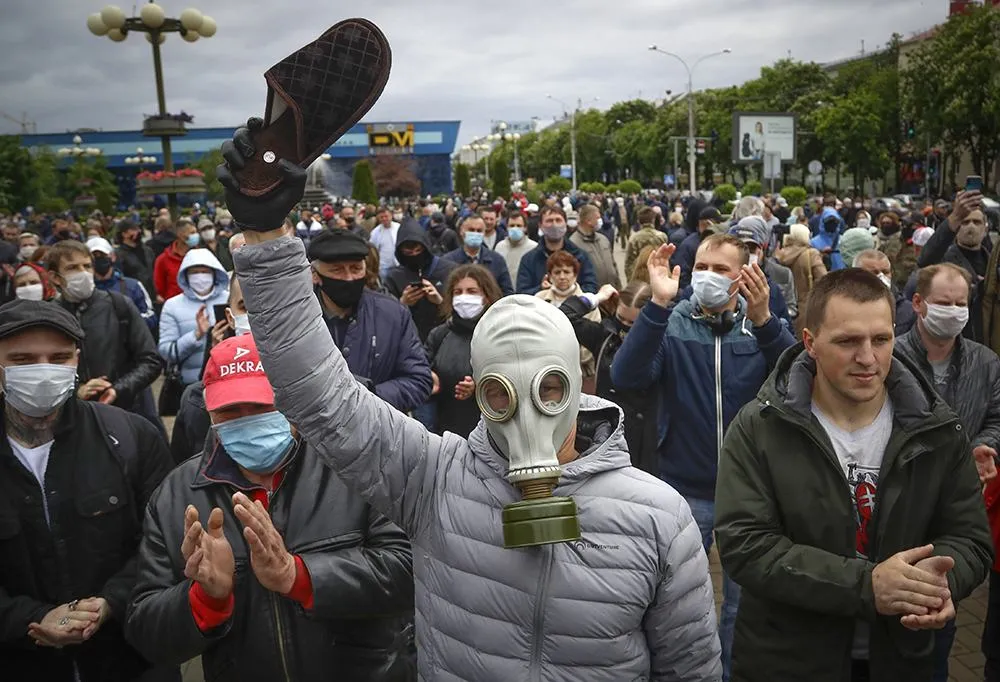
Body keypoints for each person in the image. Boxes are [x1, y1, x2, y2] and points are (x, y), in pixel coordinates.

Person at [214, 128, 723, 680]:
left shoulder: (658, 517)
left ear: (581, 384)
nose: (528, 413)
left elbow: (689, 670)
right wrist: (265, 240)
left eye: (549, 389)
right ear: (477, 393)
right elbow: (321, 397)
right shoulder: (434, 479)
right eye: (502, 392)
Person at [715, 268, 993, 682]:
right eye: (847, 341)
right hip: (790, 659)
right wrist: (867, 586)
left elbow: (970, 538)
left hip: (904, 658)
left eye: (881, 340)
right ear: (810, 343)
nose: (868, 358)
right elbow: (745, 545)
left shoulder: (936, 428)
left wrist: (939, 584)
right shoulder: (762, 425)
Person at [126, 333, 415, 681]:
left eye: (263, 407)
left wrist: (300, 577)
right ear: (209, 411)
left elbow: (411, 571)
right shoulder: (176, 496)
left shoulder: (355, 464)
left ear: (292, 399)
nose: (248, 420)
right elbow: (146, 631)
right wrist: (206, 600)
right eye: (231, 411)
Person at [611, 235, 797, 681]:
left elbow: (795, 381)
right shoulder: (672, 321)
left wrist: (767, 321)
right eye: (702, 265)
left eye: (721, 268)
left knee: (740, 607)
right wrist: (656, 305)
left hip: (748, 494)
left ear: (744, 276)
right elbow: (626, 375)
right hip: (684, 487)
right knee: (676, 605)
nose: (709, 275)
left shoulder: (760, 325)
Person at [0, 298, 174, 681]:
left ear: (77, 360)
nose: (43, 373)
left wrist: (110, 602)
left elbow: (165, 541)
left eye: (58, 357)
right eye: (23, 360)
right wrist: (30, 618)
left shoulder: (131, 437)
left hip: (130, 659)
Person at [893, 263, 1000, 682]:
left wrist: (982, 447)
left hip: (954, 511)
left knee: (938, 619)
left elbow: (996, 416)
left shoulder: (985, 362)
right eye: (944, 303)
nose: (954, 311)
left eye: (961, 303)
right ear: (918, 303)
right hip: (896, 503)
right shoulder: (892, 354)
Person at [308, 229, 432, 413]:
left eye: (356, 269)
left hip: (379, 433)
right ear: (315, 274)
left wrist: (368, 396)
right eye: (337, 270)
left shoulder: (393, 314)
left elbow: (419, 380)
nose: (349, 278)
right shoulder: (299, 319)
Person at [47, 240, 162, 424]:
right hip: (71, 419)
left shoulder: (119, 305)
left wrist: (117, 389)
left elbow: (151, 360)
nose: (83, 273)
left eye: (86, 266)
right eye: (72, 268)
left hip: (124, 412)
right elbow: (45, 372)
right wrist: (76, 391)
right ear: (55, 277)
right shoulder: (48, 316)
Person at [559, 281, 658, 475]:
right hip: (609, 428)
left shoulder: (659, 341)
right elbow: (563, 317)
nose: (625, 328)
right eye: (621, 319)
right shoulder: (605, 334)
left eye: (633, 324)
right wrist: (595, 298)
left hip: (646, 437)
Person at [169, 273, 247, 465]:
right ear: (230, 316)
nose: (258, 316)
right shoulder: (196, 398)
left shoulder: (310, 387)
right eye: (245, 307)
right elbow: (184, 467)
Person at [424, 264, 503, 438]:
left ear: (486, 297)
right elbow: (421, 368)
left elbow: (512, 375)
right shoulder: (440, 334)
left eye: (472, 291)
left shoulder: (500, 334)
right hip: (445, 430)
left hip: (493, 432)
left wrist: (480, 388)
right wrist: (430, 378)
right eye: (458, 292)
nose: (464, 297)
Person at [918, 192, 989, 343]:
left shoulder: (992, 263)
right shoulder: (944, 259)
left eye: (977, 222)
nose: (971, 227)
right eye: (965, 222)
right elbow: (925, 259)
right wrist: (955, 216)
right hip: (957, 343)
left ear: (985, 229)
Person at [157, 248, 230, 387]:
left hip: (226, 378)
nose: (200, 277)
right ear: (186, 276)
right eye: (194, 272)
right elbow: (166, 352)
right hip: (189, 384)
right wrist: (196, 335)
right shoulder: (172, 305)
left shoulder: (230, 299)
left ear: (215, 273)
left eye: (205, 272)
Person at [383, 217, 456, 342]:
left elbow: (461, 311)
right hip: (408, 338)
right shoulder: (393, 276)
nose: (414, 255)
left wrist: (440, 301)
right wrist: (402, 304)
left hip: (444, 336)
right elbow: (385, 317)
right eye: (408, 251)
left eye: (418, 250)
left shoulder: (449, 270)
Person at [516, 206, 598, 295]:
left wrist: (569, 290)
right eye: (549, 221)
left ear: (565, 224)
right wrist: (542, 289)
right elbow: (522, 293)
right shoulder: (529, 259)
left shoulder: (580, 256)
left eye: (558, 220)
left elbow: (591, 288)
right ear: (540, 225)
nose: (554, 225)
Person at [88, 237, 157, 333]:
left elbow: (151, 317)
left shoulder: (133, 286)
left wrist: (128, 322)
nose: (99, 259)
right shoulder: (86, 290)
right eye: (95, 256)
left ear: (113, 257)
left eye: (103, 255)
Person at [776, 223, 828, 337]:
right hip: (807, 310)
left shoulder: (778, 255)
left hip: (783, 310)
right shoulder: (811, 254)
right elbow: (824, 280)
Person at [443, 215, 514, 296]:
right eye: (471, 230)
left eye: (479, 231)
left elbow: (507, 292)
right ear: (461, 231)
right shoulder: (448, 260)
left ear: (484, 233)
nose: (475, 233)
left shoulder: (497, 260)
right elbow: (445, 292)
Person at [853, 249, 917, 337]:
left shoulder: (909, 312)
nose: (881, 277)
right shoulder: (845, 309)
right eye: (874, 273)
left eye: (885, 272)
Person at [673, 205, 724, 291]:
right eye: (718, 224)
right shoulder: (689, 245)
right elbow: (683, 276)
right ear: (709, 223)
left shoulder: (720, 241)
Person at [570, 204, 620, 289]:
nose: (600, 221)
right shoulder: (574, 243)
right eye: (597, 218)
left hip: (611, 292)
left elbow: (613, 265)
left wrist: (618, 286)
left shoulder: (603, 239)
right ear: (588, 221)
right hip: (592, 296)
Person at [153, 218, 199, 302]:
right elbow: (159, 288)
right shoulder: (163, 260)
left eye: (196, 232)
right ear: (180, 235)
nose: (196, 235)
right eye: (192, 233)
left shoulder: (201, 255)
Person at [115, 220, 157, 303]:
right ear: (124, 234)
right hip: (135, 298)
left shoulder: (148, 250)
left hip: (154, 298)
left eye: (138, 229)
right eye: (134, 229)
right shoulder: (119, 255)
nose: (139, 231)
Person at [494, 211, 536, 284]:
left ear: (525, 228)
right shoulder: (500, 247)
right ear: (507, 227)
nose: (515, 228)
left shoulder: (533, 247)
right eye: (512, 225)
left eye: (519, 226)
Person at [625, 207, 668, 279]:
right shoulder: (662, 236)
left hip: (639, 276)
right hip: (657, 274)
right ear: (653, 220)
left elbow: (629, 262)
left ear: (639, 221)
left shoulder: (634, 238)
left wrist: (630, 280)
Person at [369, 206, 401, 278]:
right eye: (381, 217)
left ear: (391, 216)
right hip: (383, 266)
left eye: (386, 216)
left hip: (398, 263)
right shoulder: (375, 232)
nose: (384, 219)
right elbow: (372, 249)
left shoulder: (399, 228)